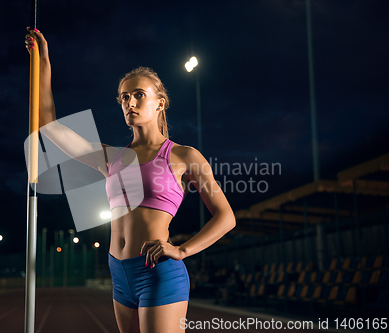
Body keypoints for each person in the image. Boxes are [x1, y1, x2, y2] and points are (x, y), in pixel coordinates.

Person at [25, 27, 236, 333]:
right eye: (125, 97)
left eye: (139, 95)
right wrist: (42, 60)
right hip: (118, 273)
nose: (130, 103)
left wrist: (182, 250)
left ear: (159, 103)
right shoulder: (111, 157)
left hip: (158, 272)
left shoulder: (184, 156)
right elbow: (49, 127)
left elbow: (226, 217)